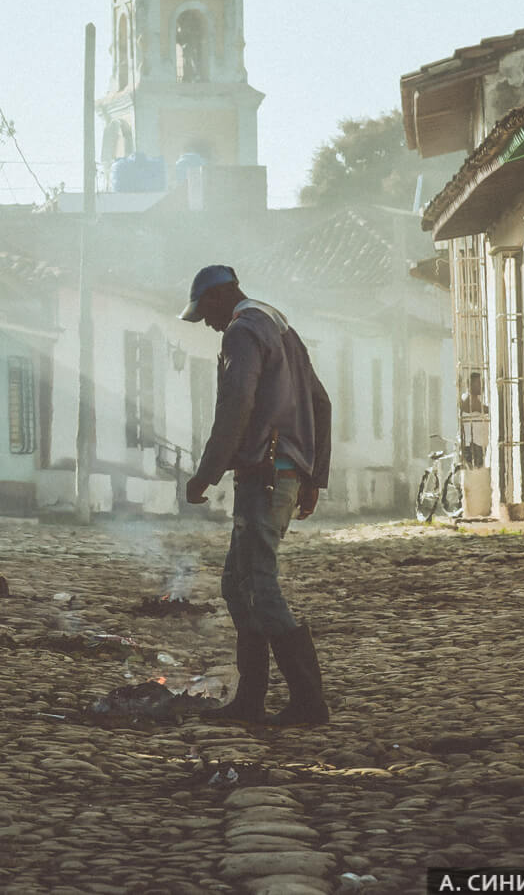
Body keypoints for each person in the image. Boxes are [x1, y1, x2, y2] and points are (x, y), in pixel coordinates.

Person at [181, 264, 333, 726]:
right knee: (236, 583)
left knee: (259, 585)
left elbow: (237, 405)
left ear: (218, 298)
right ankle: (251, 698)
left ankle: (308, 701)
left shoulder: (242, 333)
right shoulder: (280, 327)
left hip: (264, 473)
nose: (208, 324)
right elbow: (320, 402)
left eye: (206, 313)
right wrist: (314, 477)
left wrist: (205, 473)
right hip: (286, 472)